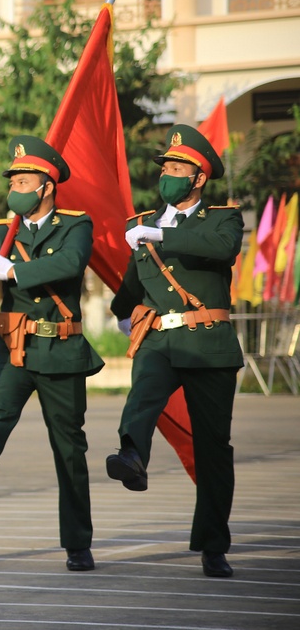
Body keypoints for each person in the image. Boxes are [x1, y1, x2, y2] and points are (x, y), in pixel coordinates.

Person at [0, 135, 103, 572]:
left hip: (59, 345)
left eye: (25, 178)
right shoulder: (3, 228)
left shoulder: (75, 224)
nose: (15, 186)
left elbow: (69, 264)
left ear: (47, 186)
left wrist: (16, 270)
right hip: (13, 343)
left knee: (68, 447)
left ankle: (77, 541)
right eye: (13, 178)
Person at [108, 124, 243, 578]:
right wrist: (120, 310)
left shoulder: (222, 219)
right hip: (161, 339)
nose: (168, 174)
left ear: (199, 178)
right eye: (165, 166)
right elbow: (131, 286)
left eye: (177, 167)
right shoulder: (140, 226)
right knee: (143, 393)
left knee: (212, 448)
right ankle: (132, 455)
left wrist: (160, 236)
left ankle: (213, 544)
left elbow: (222, 250)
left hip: (209, 345)